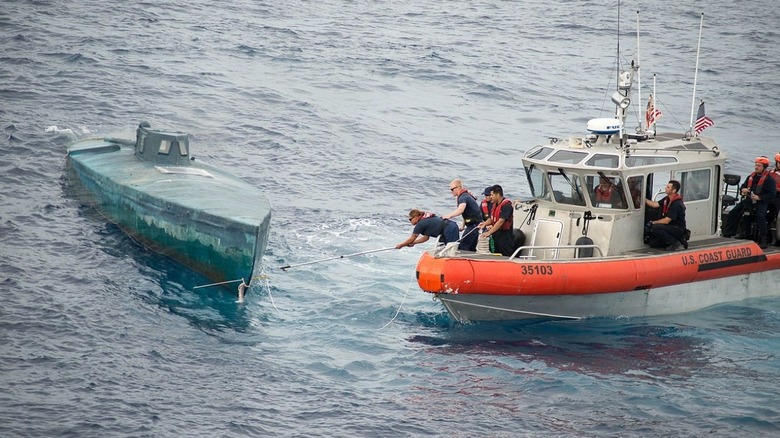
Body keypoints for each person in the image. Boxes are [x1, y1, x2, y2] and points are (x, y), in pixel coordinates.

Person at [722, 156, 777, 248]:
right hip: (749, 200)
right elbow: (743, 186)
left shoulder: (769, 180)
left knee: (760, 216)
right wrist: (743, 190)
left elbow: (771, 194)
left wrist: (759, 197)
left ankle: (763, 238)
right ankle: (729, 233)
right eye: (756, 165)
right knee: (734, 212)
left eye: (759, 166)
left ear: (764, 167)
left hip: (761, 202)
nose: (756, 167)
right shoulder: (750, 177)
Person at [644, 180, 687, 250]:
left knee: (655, 227)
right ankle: (670, 242)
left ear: (674, 190)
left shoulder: (677, 204)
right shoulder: (667, 199)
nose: (665, 188)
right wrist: (644, 199)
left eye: (668, 187)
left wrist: (653, 222)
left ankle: (675, 243)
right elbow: (655, 204)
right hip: (669, 226)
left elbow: (666, 220)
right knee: (652, 243)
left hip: (677, 228)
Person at [441, 179, 482, 251]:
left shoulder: (463, 197)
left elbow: (461, 210)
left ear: (458, 187)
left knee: (463, 246)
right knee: (471, 247)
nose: (451, 192)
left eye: (452, 189)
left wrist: (448, 216)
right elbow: (467, 212)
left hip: (474, 225)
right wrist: (463, 225)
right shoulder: (466, 195)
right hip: (476, 224)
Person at [478, 185, 515, 256]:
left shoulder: (506, 206)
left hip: (505, 236)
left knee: (505, 253)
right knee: (495, 252)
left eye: (492, 195)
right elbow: (492, 219)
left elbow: (500, 221)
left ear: (498, 194)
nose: (491, 197)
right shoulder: (495, 205)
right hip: (496, 234)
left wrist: (489, 233)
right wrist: (484, 224)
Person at [396, 209, 460, 249]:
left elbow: (411, 239)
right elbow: (425, 238)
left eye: (410, 219)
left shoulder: (420, 224)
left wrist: (401, 245)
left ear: (415, 217)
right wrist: (414, 243)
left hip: (449, 228)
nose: (410, 221)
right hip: (449, 228)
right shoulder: (424, 220)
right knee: (447, 248)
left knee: (452, 248)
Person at [769, 153, 780, 244]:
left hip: (778, 197)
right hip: (769, 196)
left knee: (776, 214)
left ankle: (775, 238)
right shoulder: (771, 173)